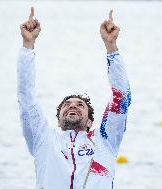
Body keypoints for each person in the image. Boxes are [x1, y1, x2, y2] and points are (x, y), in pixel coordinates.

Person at [17, 7, 131, 189]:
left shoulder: (105, 140)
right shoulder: (44, 140)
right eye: (67, 104)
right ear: (59, 120)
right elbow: (26, 97)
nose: (73, 106)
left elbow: (121, 97)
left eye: (80, 105)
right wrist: (27, 45)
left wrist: (111, 48)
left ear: (89, 122)